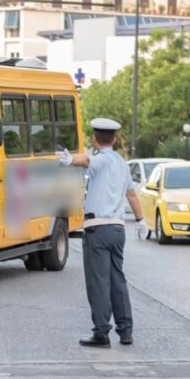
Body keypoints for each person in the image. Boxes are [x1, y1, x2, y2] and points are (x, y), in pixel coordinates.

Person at [56, 118, 148, 348]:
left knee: (99, 282)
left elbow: (86, 161)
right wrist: (141, 220)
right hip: (117, 229)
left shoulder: (100, 160)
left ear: (95, 139)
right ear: (115, 139)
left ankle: (101, 333)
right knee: (118, 280)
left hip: (98, 229)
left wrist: (70, 160)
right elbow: (132, 195)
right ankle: (125, 331)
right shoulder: (121, 162)